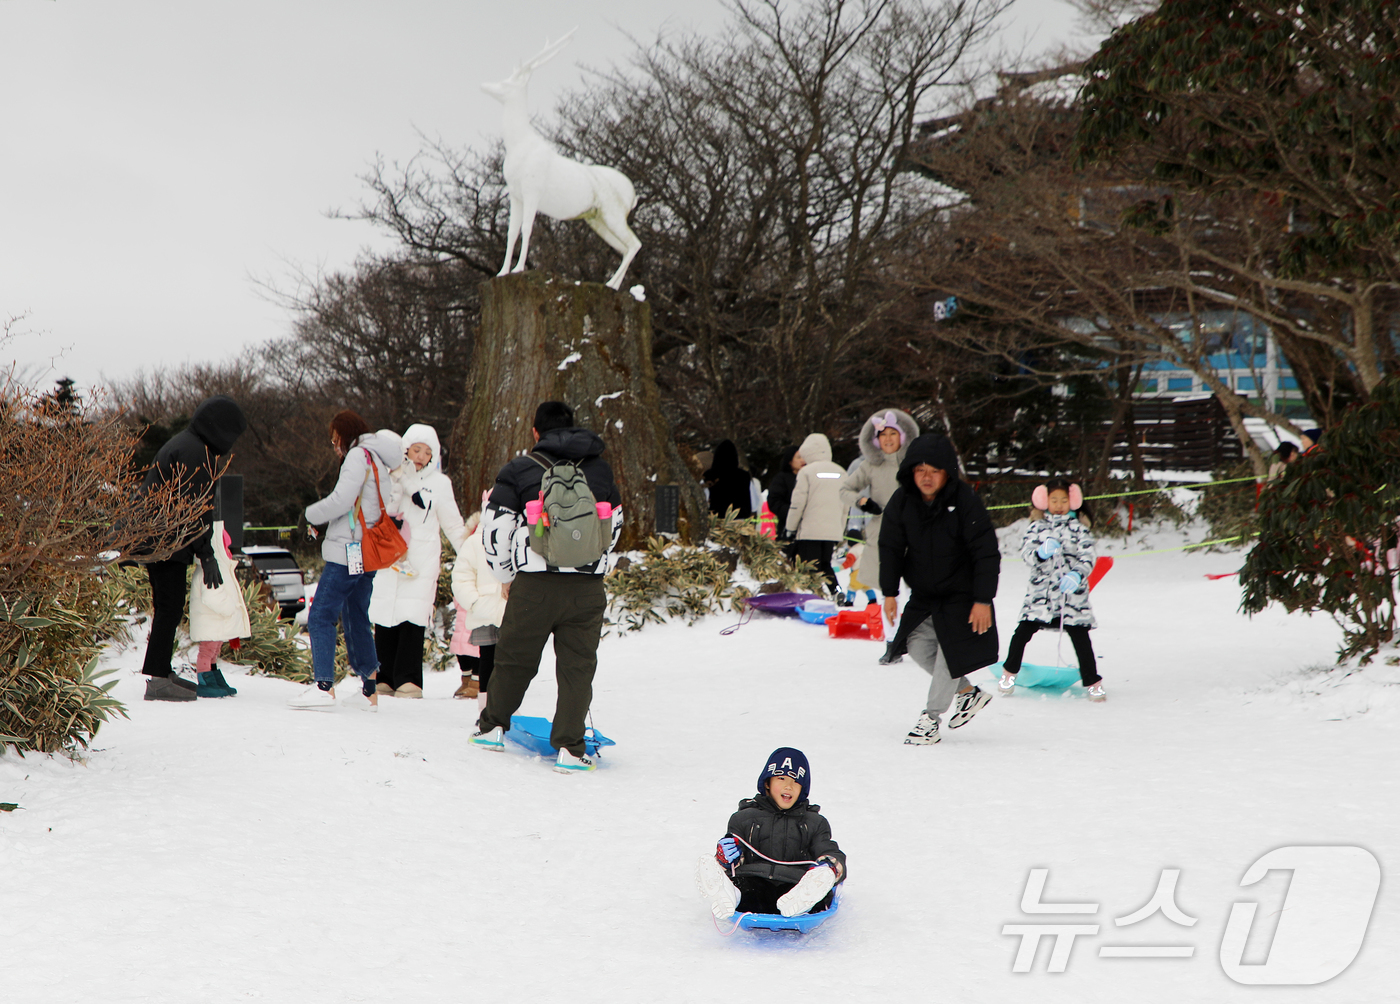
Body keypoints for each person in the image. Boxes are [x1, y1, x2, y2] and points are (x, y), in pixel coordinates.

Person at [471, 401, 623, 773]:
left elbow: (495, 533)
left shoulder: (520, 469)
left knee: (515, 658)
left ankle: (492, 728)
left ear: (536, 433)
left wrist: (507, 576)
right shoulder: (600, 471)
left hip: (534, 584)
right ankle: (571, 749)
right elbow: (614, 529)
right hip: (586, 588)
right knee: (577, 668)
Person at [879, 433, 1000, 744]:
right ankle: (967, 692)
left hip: (963, 595)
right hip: (924, 596)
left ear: (947, 472)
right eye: (920, 470)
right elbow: (890, 546)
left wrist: (983, 599)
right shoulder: (902, 501)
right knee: (917, 646)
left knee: (951, 649)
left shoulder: (965, 500)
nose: (927, 477)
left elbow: (985, 550)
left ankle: (930, 719)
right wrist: (889, 592)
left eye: (934, 470)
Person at [137, 395, 248, 703]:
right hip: (165, 542)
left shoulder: (188, 445)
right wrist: (207, 554)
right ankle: (158, 680)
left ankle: (160, 670)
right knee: (170, 608)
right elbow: (195, 509)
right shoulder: (195, 452)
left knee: (166, 608)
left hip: (157, 538)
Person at [290, 411, 402, 711]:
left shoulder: (357, 456)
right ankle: (369, 690)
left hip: (348, 550)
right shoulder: (377, 457)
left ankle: (323, 686)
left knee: (321, 614)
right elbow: (362, 504)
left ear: (344, 434)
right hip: (367, 552)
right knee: (356, 616)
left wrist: (309, 515)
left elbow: (341, 499)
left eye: (334, 438)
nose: (334, 444)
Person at [369, 424, 468, 699]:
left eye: (427, 452)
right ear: (406, 450)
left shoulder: (440, 484)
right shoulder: (390, 477)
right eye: (416, 450)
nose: (421, 456)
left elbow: (453, 524)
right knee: (384, 615)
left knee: (412, 618)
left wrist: (471, 554)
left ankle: (409, 679)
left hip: (421, 560)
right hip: (389, 558)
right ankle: (383, 676)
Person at [695, 747, 847, 920]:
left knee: (818, 890)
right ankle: (727, 895)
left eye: (796, 781)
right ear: (767, 782)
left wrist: (828, 866)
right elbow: (737, 858)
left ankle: (805, 900)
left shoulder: (814, 822)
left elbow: (829, 850)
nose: (788, 786)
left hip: (794, 886)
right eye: (781, 778)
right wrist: (726, 858)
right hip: (753, 885)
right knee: (740, 884)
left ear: (803, 789)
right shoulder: (744, 818)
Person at [999, 479, 1104, 701]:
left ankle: (1093, 683)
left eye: (1063, 500)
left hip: (1071, 599)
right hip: (1041, 597)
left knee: (1081, 639)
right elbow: (1026, 553)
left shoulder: (1079, 529)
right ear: (1044, 501)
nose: (1058, 504)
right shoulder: (1036, 527)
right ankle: (1008, 674)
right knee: (1022, 633)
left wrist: (1076, 574)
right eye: (1053, 500)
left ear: (1072, 501)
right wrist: (1040, 553)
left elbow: (1088, 556)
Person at [839, 408, 919, 595]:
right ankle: (884, 623)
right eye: (883, 434)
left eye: (893, 433)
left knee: (915, 589)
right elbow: (844, 490)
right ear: (876, 439)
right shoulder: (869, 466)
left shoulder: (915, 464)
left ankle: (913, 624)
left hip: (913, 531)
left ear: (903, 436)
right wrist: (862, 502)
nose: (888, 438)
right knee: (885, 590)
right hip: (881, 534)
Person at [450, 492, 508, 706]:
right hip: (483, 611)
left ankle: (505, 707)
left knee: (508, 662)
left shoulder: (514, 541)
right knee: (486, 660)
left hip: (509, 612)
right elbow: (461, 576)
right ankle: (486, 709)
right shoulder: (475, 542)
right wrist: (474, 602)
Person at [186, 523, 250, 698]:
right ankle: (205, 679)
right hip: (212, 619)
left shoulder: (222, 567)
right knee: (207, 651)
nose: (229, 550)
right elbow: (212, 595)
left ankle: (213, 676)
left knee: (214, 650)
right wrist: (230, 608)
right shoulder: (212, 569)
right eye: (226, 546)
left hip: (217, 621)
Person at [784, 433, 846, 600]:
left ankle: (813, 597)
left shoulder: (806, 472)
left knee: (809, 566)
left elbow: (797, 504)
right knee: (825, 565)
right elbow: (845, 504)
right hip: (831, 530)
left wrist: (790, 528)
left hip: (810, 530)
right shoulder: (841, 472)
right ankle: (837, 591)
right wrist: (840, 529)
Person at [703, 439, 754, 520]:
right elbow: (754, 504)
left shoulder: (708, 475)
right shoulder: (744, 476)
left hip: (715, 521)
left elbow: (704, 499)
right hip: (739, 521)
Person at [765, 445, 802, 550]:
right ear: (790, 461)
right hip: (787, 527)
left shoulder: (811, 477)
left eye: (804, 457)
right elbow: (774, 502)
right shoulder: (782, 478)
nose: (802, 460)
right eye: (798, 457)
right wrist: (793, 512)